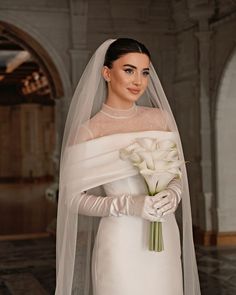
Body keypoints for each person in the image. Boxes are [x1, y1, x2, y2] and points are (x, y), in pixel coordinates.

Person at [55, 38, 201, 295]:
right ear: (107, 73)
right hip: (120, 241)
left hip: (164, 236)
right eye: (129, 70)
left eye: (145, 72)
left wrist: (174, 193)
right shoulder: (89, 131)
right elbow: (71, 199)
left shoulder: (161, 119)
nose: (139, 81)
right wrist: (125, 205)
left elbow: (175, 173)